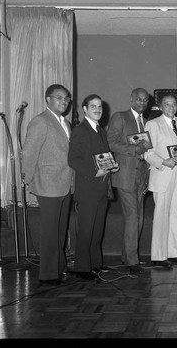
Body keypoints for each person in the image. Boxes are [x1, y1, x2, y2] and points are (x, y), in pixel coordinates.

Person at [22, 84, 74, 286]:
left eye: (66, 98)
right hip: (48, 184)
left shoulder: (65, 123)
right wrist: (26, 179)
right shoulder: (40, 121)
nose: (64, 102)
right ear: (48, 99)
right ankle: (48, 274)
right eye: (59, 98)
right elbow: (29, 152)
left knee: (61, 229)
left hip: (65, 183)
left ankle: (59, 268)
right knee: (50, 230)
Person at [68, 94, 118, 280]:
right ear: (85, 109)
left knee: (97, 229)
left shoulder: (101, 130)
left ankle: (95, 264)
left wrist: (112, 165)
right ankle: (82, 268)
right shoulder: (80, 130)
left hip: (101, 188)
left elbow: (103, 156)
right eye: (93, 106)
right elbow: (73, 159)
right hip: (88, 188)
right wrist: (93, 172)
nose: (97, 109)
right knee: (86, 229)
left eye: (100, 107)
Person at [144, 93, 177, 268]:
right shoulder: (152, 124)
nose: (171, 107)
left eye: (173, 104)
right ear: (160, 106)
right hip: (162, 173)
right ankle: (158, 255)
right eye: (167, 104)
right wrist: (163, 161)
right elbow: (147, 153)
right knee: (161, 215)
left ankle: (172, 252)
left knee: (175, 214)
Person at [107, 88, 150, 274]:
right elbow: (111, 142)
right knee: (133, 218)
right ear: (131, 99)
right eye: (138, 99)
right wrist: (134, 150)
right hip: (125, 175)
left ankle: (127, 256)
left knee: (138, 219)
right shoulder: (120, 117)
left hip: (141, 175)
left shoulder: (147, 122)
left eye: (145, 100)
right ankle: (133, 262)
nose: (142, 102)